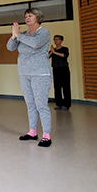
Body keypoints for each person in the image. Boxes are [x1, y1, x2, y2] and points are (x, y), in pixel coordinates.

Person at [7, 8, 53, 147]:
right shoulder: (24, 34)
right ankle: (32, 132)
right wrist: (14, 36)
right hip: (24, 73)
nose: (27, 18)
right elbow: (10, 47)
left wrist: (19, 35)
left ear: (38, 17)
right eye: (26, 16)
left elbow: (36, 44)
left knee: (41, 105)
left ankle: (46, 136)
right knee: (30, 104)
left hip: (40, 73)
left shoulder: (43, 32)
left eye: (30, 15)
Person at [49, 35, 71, 111]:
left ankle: (66, 105)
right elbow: (46, 57)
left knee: (66, 87)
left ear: (61, 41)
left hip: (64, 69)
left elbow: (64, 55)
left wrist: (54, 52)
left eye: (57, 39)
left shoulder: (65, 49)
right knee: (57, 87)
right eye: (54, 39)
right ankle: (59, 104)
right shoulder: (53, 50)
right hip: (56, 69)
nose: (56, 41)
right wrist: (52, 52)